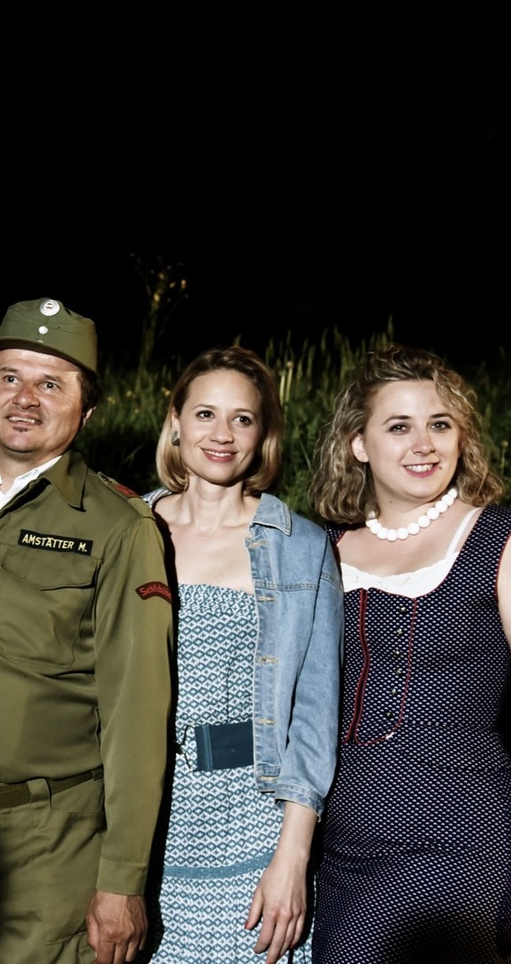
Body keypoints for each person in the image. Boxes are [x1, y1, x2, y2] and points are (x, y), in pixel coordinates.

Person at [0, 299, 173, 964]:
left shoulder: (118, 525)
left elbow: (137, 710)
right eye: (10, 377)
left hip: (52, 843)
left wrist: (122, 879)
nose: (24, 398)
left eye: (51, 384)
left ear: (87, 410)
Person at [308, 345, 511, 962]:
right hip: (337, 843)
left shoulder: (506, 543)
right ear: (358, 444)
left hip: (461, 835)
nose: (423, 444)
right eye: (398, 426)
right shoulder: (318, 547)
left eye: (440, 424)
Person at [140, 348, 341, 963]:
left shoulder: (299, 546)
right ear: (175, 422)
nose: (222, 434)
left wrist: (292, 858)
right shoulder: (127, 530)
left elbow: (314, 715)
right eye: (205, 413)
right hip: (139, 817)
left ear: (264, 434)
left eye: (243, 418)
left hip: (252, 822)